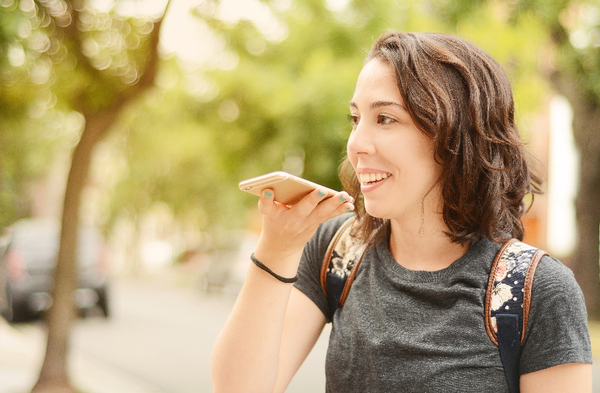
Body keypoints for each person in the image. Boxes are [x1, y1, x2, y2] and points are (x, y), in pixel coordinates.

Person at [211, 31, 593, 393]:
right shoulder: (338, 251)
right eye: (355, 119)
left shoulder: (537, 291)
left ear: (455, 136)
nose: (356, 144)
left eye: (386, 119)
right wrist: (276, 249)